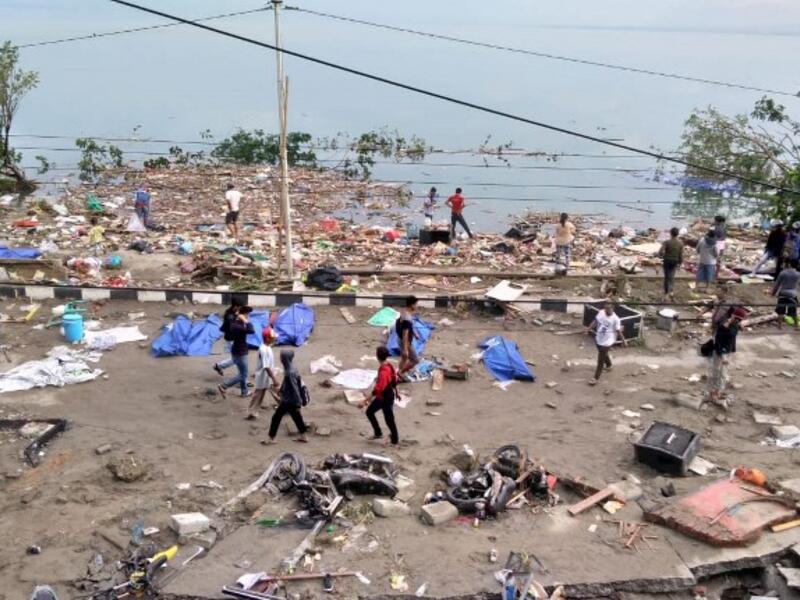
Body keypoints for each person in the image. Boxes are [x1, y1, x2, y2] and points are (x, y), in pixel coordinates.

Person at [263, 350, 309, 444]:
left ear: (285, 358)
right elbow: (288, 382)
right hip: (289, 399)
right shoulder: (291, 367)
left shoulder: (290, 372)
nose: (280, 359)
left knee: (276, 417)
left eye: (281, 357)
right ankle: (304, 436)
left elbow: (295, 388)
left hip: (289, 400)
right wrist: (281, 391)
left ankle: (271, 438)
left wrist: (298, 403)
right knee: (296, 417)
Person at [707, 306, 747, 407]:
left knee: (722, 373)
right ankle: (714, 393)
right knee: (718, 372)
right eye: (736, 318)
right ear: (732, 316)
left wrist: (738, 325)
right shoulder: (724, 326)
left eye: (740, 319)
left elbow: (732, 338)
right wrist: (723, 356)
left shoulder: (735, 325)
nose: (737, 321)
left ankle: (717, 391)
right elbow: (719, 341)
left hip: (727, 351)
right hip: (720, 352)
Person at [359, 345, 399, 445]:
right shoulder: (389, 366)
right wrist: (396, 392)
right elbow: (394, 379)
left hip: (385, 397)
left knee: (389, 419)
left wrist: (365, 401)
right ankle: (378, 433)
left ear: (377, 356)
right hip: (386, 395)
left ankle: (394, 440)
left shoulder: (383, 371)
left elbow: (378, 389)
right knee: (370, 412)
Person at [218, 306, 253, 399]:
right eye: (247, 315)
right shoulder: (236, 325)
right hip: (240, 352)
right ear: (243, 315)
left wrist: (242, 319)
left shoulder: (237, 323)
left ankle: (244, 391)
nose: (248, 317)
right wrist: (245, 321)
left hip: (238, 350)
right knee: (243, 374)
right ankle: (224, 386)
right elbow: (251, 330)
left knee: (242, 372)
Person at [587, 302, 627, 385]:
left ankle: (595, 378)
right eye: (605, 308)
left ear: (612, 309)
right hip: (599, 337)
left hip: (608, 340)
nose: (606, 310)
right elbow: (595, 321)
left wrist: (623, 341)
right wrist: (588, 329)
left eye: (608, 309)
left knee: (600, 359)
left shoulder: (616, 319)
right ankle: (609, 365)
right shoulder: (601, 312)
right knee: (602, 352)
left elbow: (618, 331)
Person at [246, 327, 280, 419]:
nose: (274, 339)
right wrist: (274, 378)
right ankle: (252, 412)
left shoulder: (267, 347)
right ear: (267, 338)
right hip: (264, 376)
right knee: (260, 394)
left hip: (267, 375)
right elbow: (266, 366)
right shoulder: (264, 349)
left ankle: (285, 407)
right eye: (273, 338)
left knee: (275, 392)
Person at [213, 296, 244, 376]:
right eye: (239, 306)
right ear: (235, 306)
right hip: (231, 339)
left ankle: (218, 366)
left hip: (234, 338)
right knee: (238, 358)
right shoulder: (229, 315)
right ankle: (242, 377)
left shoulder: (233, 313)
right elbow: (232, 327)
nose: (240, 308)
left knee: (237, 358)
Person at [396, 295, 420, 380]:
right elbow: (405, 334)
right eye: (416, 304)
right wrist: (405, 349)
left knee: (404, 358)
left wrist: (414, 333)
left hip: (400, 339)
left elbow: (408, 327)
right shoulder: (407, 318)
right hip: (405, 341)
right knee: (415, 360)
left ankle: (398, 373)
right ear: (412, 305)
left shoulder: (405, 312)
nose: (417, 306)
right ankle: (400, 373)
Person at [772, 259, 800, 328]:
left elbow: (777, 285)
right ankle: (796, 325)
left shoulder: (783, 273)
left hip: (783, 294)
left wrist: (773, 293)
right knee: (793, 311)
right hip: (793, 294)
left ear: (789, 264)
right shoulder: (798, 274)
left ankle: (780, 326)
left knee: (781, 310)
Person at [658, 227, 684, 300]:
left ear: (670, 233)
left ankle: (666, 293)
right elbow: (681, 255)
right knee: (672, 276)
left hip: (667, 261)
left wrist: (664, 255)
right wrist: (680, 263)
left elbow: (660, 252)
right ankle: (671, 292)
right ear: (678, 234)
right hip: (675, 261)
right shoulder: (680, 243)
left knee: (666, 277)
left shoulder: (667, 242)